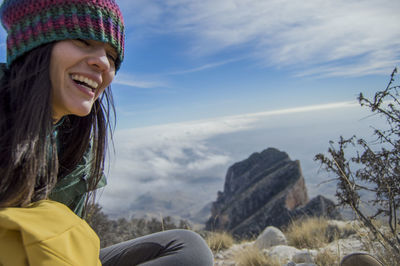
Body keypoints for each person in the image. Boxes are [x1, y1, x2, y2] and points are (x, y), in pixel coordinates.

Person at [0, 0, 214, 265]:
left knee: (188, 248)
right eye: (81, 39)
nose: (103, 63)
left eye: (112, 56)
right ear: (33, 43)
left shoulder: (76, 141)